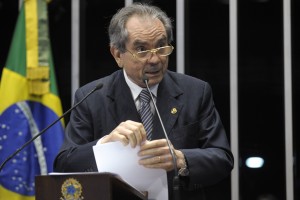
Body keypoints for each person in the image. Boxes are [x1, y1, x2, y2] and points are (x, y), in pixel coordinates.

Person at [54, 2, 234, 200]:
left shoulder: (195, 92)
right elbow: (65, 163)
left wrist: (181, 159)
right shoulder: (91, 97)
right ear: (117, 54)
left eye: (161, 46)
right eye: (142, 49)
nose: (155, 59)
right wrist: (105, 144)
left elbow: (222, 158)